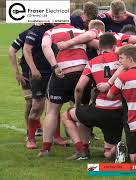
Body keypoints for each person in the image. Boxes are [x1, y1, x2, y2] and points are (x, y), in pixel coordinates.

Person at [38, 22, 104, 157]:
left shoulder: (50, 32)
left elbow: (45, 46)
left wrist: (54, 66)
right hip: (82, 73)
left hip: (62, 72)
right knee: (81, 111)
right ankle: (84, 148)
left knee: (51, 111)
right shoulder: (80, 31)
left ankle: (45, 149)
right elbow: (99, 45)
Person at [62, 33, 123, 160]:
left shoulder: (92, 63)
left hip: (98, 110)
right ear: (114, 47)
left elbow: (79, 88)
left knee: (68, 115)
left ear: (99, 49)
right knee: (108, 154)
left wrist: (78, 105)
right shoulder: (122, 60)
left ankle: (82, 151)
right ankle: (115, 149)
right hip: (117, 113)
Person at [23, 24, 67, 149]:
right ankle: (30, 138)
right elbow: (27, 49)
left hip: (55, 72)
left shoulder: (59, 29)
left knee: (55, 105)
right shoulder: (36, 30)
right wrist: (33, 68)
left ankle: (56, 136)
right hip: (39, 73)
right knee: (37, 106)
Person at [8, 26, 42, 141]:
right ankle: (30, 130)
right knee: (30, 101)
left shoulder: (51, 30)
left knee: (43, 103)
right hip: (27, 73)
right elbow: (11, 51)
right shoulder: (26, 33)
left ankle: (38, 126)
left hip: (46, 73)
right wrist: (17, 73)